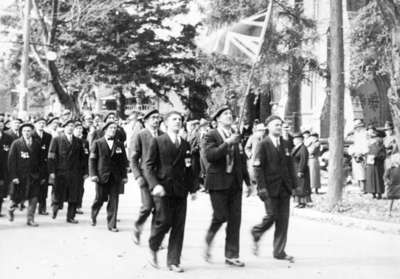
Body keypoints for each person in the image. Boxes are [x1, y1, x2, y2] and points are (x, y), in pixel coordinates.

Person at [144, 111, 197, 272]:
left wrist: (193, 188)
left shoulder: (185, 144)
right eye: (174, 119)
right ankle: (153, 245)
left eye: (180, 119)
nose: (178, 122)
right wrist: (155, 185)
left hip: (180, 189)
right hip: (163, 188)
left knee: (179, 225)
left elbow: (189, 168)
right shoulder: (158, 141)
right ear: (166, 123)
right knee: (164, 221)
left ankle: (173, 261)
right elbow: (148, 166)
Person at [203, 106, 251, 267]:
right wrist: (227, 143)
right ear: (217, 119)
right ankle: (209, 239)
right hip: (217, 182)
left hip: (235, 183)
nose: (229, 116)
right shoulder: (211, 135)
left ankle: (232, 254)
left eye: (231, 114)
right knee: (220, 216)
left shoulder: (236, 136)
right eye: (225, 114)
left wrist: (248, 182)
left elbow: (241, 160)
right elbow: (211, 156)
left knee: (235, 220)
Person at [251, 115, 295, 262]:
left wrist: (294, 186)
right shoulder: (263, 144)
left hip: (284, 188)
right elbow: (257, 167)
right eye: (276, 124)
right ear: (268, 126)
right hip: (269, 188)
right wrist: (261, 187)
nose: (279, 127)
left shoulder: (286, 143)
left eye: (280, 124)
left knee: (283, 220)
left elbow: (290, 166)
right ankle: (257, 231)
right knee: (271, 216)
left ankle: (279, 251)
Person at [89, 121, 128, 232]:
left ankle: (112, 224)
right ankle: (93, 215)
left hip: (115, 177)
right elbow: (92, 160)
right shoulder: (97, 143)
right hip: (101, 176)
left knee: (114, 201)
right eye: (111, 128)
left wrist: (124, 176)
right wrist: (93, 174)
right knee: (99, 198)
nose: (113, 130)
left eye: (115, 128)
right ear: (105, 130)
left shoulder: (119, 144)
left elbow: (123, 161)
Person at [131, 109, 162, 244]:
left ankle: (154, 238)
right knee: (147, 207)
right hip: (145, 176)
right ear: (146, 120)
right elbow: (133, 158)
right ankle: (138, 227)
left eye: (157, 118)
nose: (156, 120)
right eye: (153, 118)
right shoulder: (140, 135)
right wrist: (137, 176)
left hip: (160, 177)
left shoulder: (163, 135)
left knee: (159, 209)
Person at [48, 120, 87, 223]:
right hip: (61, 171)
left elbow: (83, 158)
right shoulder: (56, 140)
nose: (70, 128)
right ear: (64, 127)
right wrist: (52, 171)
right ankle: (55, 208)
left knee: (73, 195)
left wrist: (85, 171)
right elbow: (51, 156)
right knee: (58, 193)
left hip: (75, 173)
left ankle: (71, 217)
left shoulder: (78, 141)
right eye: (68, 126)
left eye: (72, 126)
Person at [7, 123, 43, 226]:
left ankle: (30, 219)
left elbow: (41, 160)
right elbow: (11, 161)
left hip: (34, 176)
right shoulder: (16, 144)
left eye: (28, 131)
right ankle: (10, 209)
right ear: (21, 132)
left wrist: (41, 175)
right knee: (17, 198)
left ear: (32, 132)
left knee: (34, 198)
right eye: (24, 131)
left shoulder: (36, 144)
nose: (27, 133)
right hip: (20, 177)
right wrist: (14, 176)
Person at [32, 117, 52, 215]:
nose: (41, 125)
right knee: (34, 187)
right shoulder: (31, 135)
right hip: (33, 165)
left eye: (43, 123)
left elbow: (50, 151)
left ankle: (42, 208)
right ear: (35, 124)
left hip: (44, 165)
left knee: (44, 188)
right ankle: (32, 207)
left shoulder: (48, 136)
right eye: (39, 123)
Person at [365, 126, 386, 199]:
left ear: (380, 138)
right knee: (372, 179)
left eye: (378, 138)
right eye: (375, 138)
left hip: (378, 165)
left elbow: (383, 155)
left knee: (379, 179)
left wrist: (377, 157)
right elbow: (368, 154)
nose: (376, 139)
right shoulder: (371, 146)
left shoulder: (382, 147)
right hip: (371, 165)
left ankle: (379, 193)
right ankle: (373, 193)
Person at [291, 132, 312, 208]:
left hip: (301, 170)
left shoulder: (303, 148)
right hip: (295, 169)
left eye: (296, 139)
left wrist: (301, 170)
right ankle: (298, 201)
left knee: (302, 186)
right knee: (297, 186)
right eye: (294, 139)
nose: (294, 141)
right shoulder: (295, 148)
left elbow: (303, 160)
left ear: (300, 140)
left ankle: (303, 202)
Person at [73, 121, 89, 214]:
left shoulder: (85, 142)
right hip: (71, 168)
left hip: (81, 169)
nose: (79, 131)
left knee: (80, 188)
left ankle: (78, 206)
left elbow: (87, 157)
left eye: (81, 129)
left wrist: (87, 171)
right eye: (77, 129)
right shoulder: (70, 140)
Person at [348, 119, 368, 191]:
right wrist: (353, 153)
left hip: (363, 155)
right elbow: (352, 145)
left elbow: (366, 145)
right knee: (357, 172)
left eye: (359, 127)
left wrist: (362, 153)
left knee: (363, 172)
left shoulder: (365, 134)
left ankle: (364, 188)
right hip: (355, 155)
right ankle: (360, 187)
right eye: (356, 127)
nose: (358, 128)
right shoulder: (355, 135)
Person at [0, 120, 13, 216]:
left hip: (3, 168)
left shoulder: (8, 138)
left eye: (1, 125)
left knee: (1, 191)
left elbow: (11, 153)